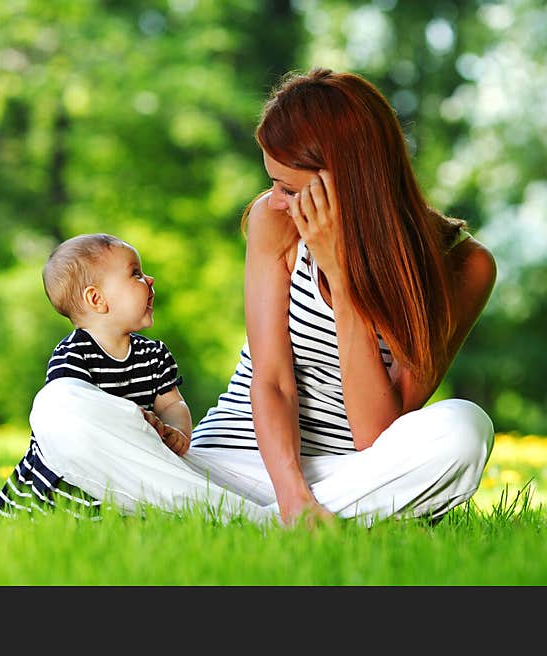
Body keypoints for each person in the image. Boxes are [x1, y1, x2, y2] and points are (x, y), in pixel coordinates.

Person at [25, 68, 497, 527]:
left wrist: (342, 276)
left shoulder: (463, 267)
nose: (273, 201)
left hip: (349, 475)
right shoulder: (276, 222)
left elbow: (374, 435)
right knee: (59, 407)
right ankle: (278, 524)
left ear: (350, 181)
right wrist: (291, 496)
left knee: (464, 430)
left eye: (288, 187)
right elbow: (272, 381)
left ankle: (219, 522)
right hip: (221, 468)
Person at [0, 233, 271, 523]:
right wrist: (132, 417)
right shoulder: (74, 353)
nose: (149, 279)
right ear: (96, 299)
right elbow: (78, 408)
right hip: (79, 472)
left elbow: (172, 404)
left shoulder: (153, 353)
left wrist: (177, 433)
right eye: (135, 273)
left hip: (134, 465)